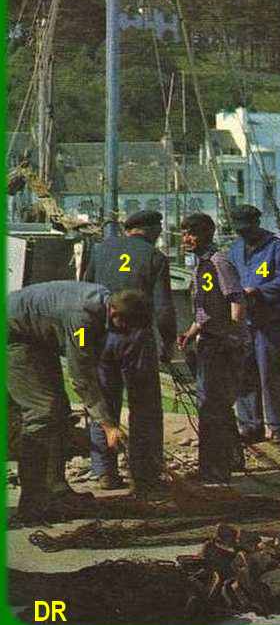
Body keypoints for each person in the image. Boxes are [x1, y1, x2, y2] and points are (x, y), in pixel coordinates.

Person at [7, 282, 149, 522]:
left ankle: (56, 490)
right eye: (124, 326)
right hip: (14, 337)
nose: (124, 333)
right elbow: (80, 376)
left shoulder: (103, 300)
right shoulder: (82, 321)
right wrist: (108, 425)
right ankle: (33, 502)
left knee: (59, 410)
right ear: (114, 312)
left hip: (36, 338)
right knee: (42, 412)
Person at [81, 210, 174, 495]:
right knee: (145, 406)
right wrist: (168, 342)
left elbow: (84, 292)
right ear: (153, 230)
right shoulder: (155, 257)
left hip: (101, 334)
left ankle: (104, 471)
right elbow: (163, 308)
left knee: (104, 402)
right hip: (137, 338)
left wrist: (83, 340)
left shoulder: (99, 250)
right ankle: (145, 473)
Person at [176, 213, 250, 484]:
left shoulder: (219, 262)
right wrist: (191, 332)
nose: (186, 239)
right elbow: (207, 307)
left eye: (191, 233)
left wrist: (231, 337)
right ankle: (232, 458)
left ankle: (214, 470)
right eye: (184, 233)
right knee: (217, 405)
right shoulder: (203, 265)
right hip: (209, 339)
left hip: (220, 344)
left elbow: (236, 301)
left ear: (206, 234)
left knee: (211, 406)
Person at [227, 204, 280, 446]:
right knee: (244, 374)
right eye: (239, 230)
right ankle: (250, 426)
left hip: (269, 322)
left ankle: (276, 427)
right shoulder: (235, 249)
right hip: (243, 322)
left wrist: (258, 291)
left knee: (270, 374)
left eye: (246, 229)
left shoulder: (276, 247)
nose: (243, 234)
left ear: (257, 224)